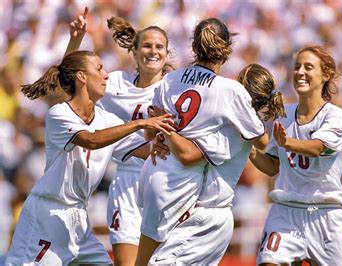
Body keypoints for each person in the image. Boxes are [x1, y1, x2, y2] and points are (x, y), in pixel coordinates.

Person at [5, 50, 175, 265]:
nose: (106, 75)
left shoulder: (107, 119)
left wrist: (164, 138)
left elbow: (148, 150)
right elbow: (91, 140)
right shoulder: (59, 114)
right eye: (99, 68)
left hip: (79, 220)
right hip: (47, 217)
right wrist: (139, 123)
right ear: (81, 77)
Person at [135, 18, 271, 265]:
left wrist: (165, 136)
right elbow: (261, 141)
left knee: (142, 261)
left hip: (153, 172)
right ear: (227, 49)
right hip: (180, 185)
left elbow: (149, 132)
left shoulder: (170, 79)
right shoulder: (230, 90)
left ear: (194, 47)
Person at [64, 9, 174, 265]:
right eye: (146, 46)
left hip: (163, 182)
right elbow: (72, 83)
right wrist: (75, 42)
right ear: (134, 52)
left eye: (160, 47)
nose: (153, 51)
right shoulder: (115, 83)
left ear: (167, 54)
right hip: (126, 180)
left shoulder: (174, 89)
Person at [148, 63, 286, 265]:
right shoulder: (246, 133)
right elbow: (271, 166)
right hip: (208, 215)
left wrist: (165, 124)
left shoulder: (232, 131)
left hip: (207, 215)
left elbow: (189, 154)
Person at [249, 45, 342, 265]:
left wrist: (286, 142)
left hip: (325, 214)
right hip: (286, 211)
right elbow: (272, 166)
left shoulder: (335, 115)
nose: (300, 72)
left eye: (308, 67)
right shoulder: (284, 115)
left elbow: (317, 148)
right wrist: (249, 149)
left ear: (326, 75)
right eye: (297, 67)